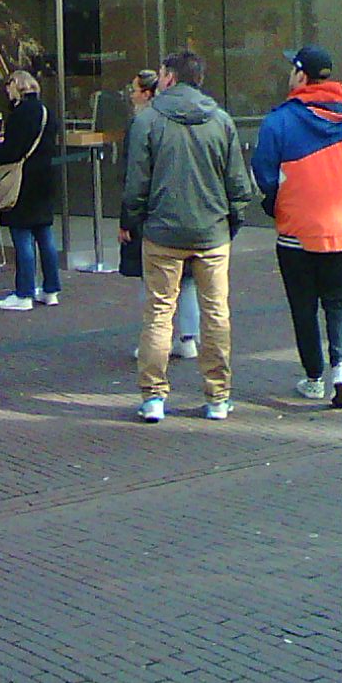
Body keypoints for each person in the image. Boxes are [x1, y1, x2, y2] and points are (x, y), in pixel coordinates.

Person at [122, 49, 253, 423]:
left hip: (162, 232)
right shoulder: (221, 120)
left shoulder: (148, 120)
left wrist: (134, 221)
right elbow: (237, 183)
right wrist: (232, 221)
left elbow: (136, 183)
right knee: (216, 313)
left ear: (170, 77)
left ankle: (153, 397)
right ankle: (218, 397)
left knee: (159, 312)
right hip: (211, 232)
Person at [252, 46, 342, 408]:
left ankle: (313, 379)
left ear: (301, 75)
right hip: (341, 230)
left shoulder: (278, 121)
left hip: (296, 232)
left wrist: (276, 205)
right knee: (339, 302)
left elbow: (263, 175)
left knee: (303, 306)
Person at [120, 69, 200, 362]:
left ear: (147, 93)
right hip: (190, 209)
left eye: (134, 90)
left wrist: (128, 219)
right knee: (187, 279)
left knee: (154, 281)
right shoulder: (190, 119)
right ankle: (188, 337)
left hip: (154, 212)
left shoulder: (144, 124)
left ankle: (155, 341)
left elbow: (134, 177)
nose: (131, 96)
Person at [0, 70, 60, 310]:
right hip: (45, 178)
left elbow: (12, 151)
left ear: (15, 86)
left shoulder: (19, 114)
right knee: (45, 235)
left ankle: (24, 293)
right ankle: (51, 289)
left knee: (22, 236)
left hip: (22, 181)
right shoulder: (47, 111)